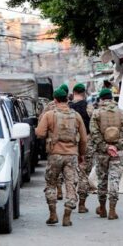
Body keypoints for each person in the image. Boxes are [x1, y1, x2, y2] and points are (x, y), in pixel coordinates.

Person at [36, 88, 87, 226]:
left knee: (51, 183)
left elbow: (40, 133)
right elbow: (83, 139)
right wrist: (82, 154)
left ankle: (53, 214)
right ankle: (67, 216)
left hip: (55, 155)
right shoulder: (76, 115)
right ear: (67, 99)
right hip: (72, 155)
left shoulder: (49, 115)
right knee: (71, 184)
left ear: (55, 100)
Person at [90, 88, 123, 220]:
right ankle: (112, 210)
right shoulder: (122, 113)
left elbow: (94, 133)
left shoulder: (96, 114)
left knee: (102, 180)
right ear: (111, 98)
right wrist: (116, 146)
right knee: (114, 179)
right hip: (117, 152)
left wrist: (105, 147)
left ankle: (102, 208)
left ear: (101, 99)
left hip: (102, 152)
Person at [38, 83, 69, 200]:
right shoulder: (69, 107)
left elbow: (41, 122)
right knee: (67, 169)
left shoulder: (49, 106)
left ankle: (58, 189)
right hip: (68, 143)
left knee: (54, 169)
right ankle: (67, 193)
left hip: (53, 142)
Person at [69, 83, 94, 213]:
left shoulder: (68, 108)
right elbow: (95, 125)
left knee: (71, 174)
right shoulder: (89, 107)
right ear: (84, 93)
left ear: (73, 92)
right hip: (87, 143)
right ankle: (82, 204)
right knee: (84, 174)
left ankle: (71, 200)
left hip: (70, 145)